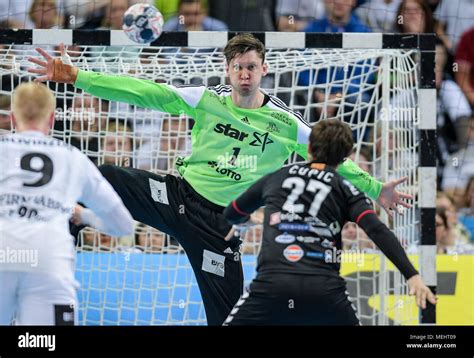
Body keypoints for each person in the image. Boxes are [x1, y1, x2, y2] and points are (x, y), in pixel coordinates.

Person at [27, 34, 411, 325]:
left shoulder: (284, 122)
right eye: (238, 67)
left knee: (229, 320)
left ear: (264, 70)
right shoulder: (207, 99)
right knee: (100, 177)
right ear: (228, 70)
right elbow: (146, 92)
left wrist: (376, 189)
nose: (244, 74)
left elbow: (332, 157)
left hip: (220, 227)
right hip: (175, 197)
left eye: (251, 67)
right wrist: (76, 75)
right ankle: (67, 227)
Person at [222, 119, 436, 325]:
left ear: (309, 149)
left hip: (272, 284)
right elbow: (377, 231)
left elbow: (232, 212)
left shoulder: (277, 177)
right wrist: (412, 275)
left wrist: (248, 220)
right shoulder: (347, 189)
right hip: (324, 290)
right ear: (345, 158)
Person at [0, 82, 134, 325]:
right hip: (49, 259)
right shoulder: (73, 157)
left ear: (11, 117)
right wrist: (84, 216)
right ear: (51, 119)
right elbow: (123, 225)